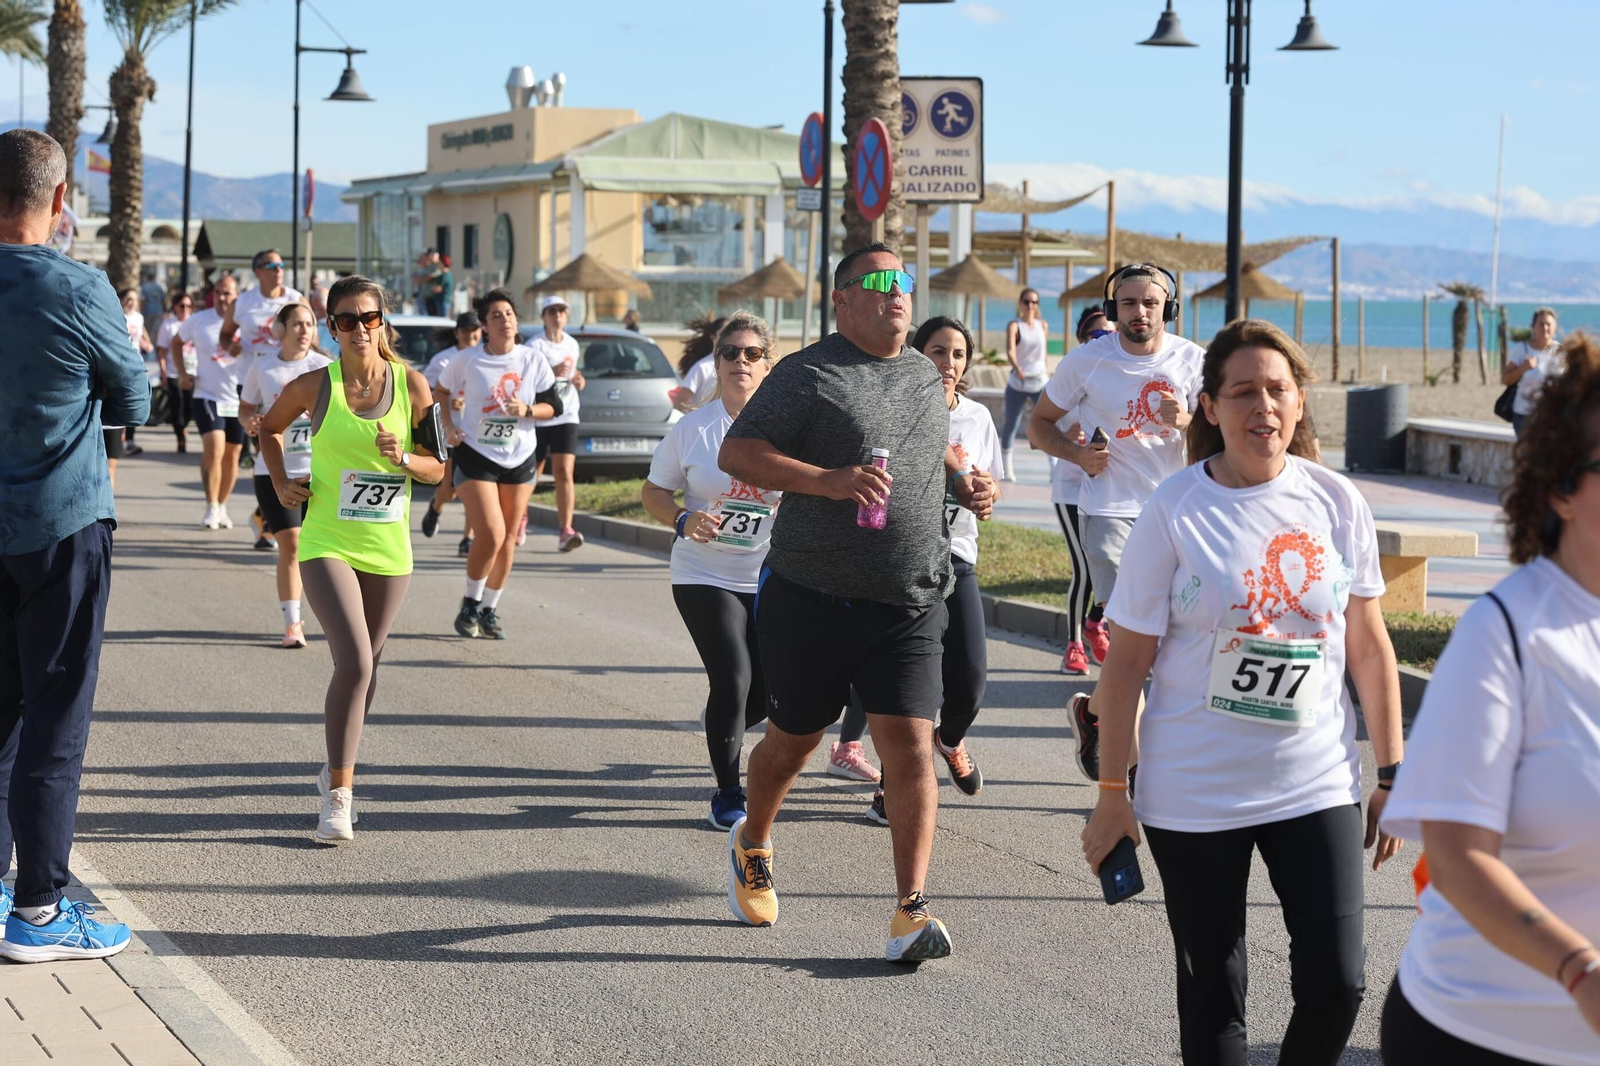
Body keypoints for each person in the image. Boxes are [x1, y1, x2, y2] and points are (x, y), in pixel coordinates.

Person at [1080, 318, 1405, 1066]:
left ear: (1298, 402)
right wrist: (1111, 791)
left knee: (1339, 984)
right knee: (1213, 998)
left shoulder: (1336, 501)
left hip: (1315, 781)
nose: (1263, 406)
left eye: (1277, 390)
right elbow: (1126, 664)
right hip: (1193, 790)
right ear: (1211, 407)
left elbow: (1368, 642)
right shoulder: (1175, 508)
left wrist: (1391, 772)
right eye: (1244, 392)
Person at [717, 242, 994, 961]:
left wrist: (967, 487)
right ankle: (753, 840)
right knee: (794, 741)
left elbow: (928, 448)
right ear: (842, 300)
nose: (896, 290)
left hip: (909, 600)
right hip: (812, 598)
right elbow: (739, 454)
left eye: (903, 279)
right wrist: (826, 480)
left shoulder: (924, 377)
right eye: (877, 281)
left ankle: (910, 909)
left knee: (908, 748)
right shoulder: (807, 374)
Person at [1379, 334, 1600, 1066]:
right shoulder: (1504, 632)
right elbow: (1457, 857)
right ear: (1562, 488)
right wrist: (1580, 969)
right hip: (1480, 1034)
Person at [0, 128, 146, 961]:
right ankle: (41, 913)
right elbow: (134, 398)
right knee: (55, 716)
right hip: (61, 524)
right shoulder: (76, 287)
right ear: (60, 203)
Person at [258, 275, 446, 844]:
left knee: (367, 670)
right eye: (345, 320)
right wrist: (281, 483)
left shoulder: (412, 385)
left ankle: (333, 766)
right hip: (326, 542)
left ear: (383, 322)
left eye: (369, 318)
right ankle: (340, 797)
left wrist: (405, 460)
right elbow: (267, 430)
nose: (359, 329)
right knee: (357, 663)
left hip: (389, 548)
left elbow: (439, 468)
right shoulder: (314, 385)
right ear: (332, 327)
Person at [1027, 263, 1205, 781]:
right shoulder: (1086, 362)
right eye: (1129, 303)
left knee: (1159, 644)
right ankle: (1136, 774)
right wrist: (1077, 457)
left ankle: (1093, 715)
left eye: (1150, 303)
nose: (1140, 312)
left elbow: (1223, 436)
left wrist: (1189, 421)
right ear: (1113, 310)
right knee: (1132, 642)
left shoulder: (1194, 362)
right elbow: (1039, 426)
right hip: (1108, 515)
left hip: (1177, 516)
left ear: (1167, 309)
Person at [857, 315, 1004, 825]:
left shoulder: (978, 417)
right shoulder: (896, 411)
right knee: (907, 689)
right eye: (938, 351)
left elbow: (993, 486)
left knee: (971, 680)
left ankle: (951, 739)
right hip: (901, 563)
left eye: (958, 354)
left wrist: (985, 494)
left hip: (957, 557)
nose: (949, 363)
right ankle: (890, 786)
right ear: (917, 355)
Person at [641, 310, 780, 829]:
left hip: (769, 573)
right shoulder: (694, 429)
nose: (740, 361)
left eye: (752, 354)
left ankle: (722, 724)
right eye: (730, 353)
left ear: (768, 365)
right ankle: (727, 792)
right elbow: (653, 492)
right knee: (733, 676)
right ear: (717, 364)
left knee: (771, 690)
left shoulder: (789, 429)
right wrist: (681, 518)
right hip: (704, 572)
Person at [436, 288, 564, 640]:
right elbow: (441, 391)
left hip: (520, 455)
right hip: (476, 453)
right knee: (490, 533)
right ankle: (469, 602)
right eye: (496, 315)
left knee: (508, 538)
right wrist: (448, 426)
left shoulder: (532, 359)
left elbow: (554, 405)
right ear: (485, 325)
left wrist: (527, 411)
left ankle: (489, 608)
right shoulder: (468, 360)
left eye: (509, 314)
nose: (505, 320)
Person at [240, 303, 332, 649]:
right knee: (292, 544)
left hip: (319, 471)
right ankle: (293, 622)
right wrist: (248, 421)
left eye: (310, 324)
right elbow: (247, 406)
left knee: (321, 550)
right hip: (274, 469)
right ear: (281, 329)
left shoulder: (325, 368)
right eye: (296, 324)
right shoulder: (262, 366)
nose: (304, 330)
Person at [1052, 306, 1112, 676]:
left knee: (1113, 567)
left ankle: (1095, 622)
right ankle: (1074, 643)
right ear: (1082, 340)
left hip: (1107, 491)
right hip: (1072, 491)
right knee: (1085, 569)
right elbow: (1041, 427)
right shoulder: (1070, 374)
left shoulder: (1120, 377)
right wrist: (1067, 438)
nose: (1102, 339)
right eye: (1095, 335)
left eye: (1108, 333)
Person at [177, 273, 244, 530]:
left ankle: (223, 505)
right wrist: (183, 373)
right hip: (207, 394)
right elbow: (176, 342)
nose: (222, 297)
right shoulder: (199, 320)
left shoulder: (244, 323)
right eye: (218, 292)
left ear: (236, 295)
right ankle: (211, 505)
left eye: (227, 293)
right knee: (214, 449)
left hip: (238, 398)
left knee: (232, 455)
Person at [420, 310, 483, 556]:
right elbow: (425, 389)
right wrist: (447, 399)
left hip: (476, 435)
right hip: (449, 432)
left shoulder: (485, 357)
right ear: (457, 333)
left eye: (475, 330)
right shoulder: (443, 360)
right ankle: (436, 505)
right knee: (450, 491)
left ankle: (467, 539)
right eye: (466, 331)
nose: (471, 335)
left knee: (475, 490)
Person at [529, 294, 586, 552]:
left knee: (564, 472)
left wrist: (578, 379)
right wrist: (551, 373)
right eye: (552, 311)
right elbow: (527, 380)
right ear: (543, 316)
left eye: (562, 311)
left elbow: (572, 372)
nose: (557, 316)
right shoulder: (534, 346)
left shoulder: (572, 344)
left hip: (567, 414)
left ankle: (566, 530)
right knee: (534, 473)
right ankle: (520, 517)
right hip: (541, 416)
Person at [999, 287, 1049, 481]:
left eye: (1034, 302)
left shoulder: (1042, 325)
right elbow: (1010, 350)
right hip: (1018, 382)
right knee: (1011, 424)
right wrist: (1017, 368)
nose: (1030, 306)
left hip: (1039, 381)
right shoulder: (1014, 325)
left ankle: (1054, 467)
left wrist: (1045, 368)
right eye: (1027, 301)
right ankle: (1007, 467)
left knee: (1048, 422)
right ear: (1020, 304)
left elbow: (1043, 352)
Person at [1500, 307, 1563, 439]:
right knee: (1529, 457)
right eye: (1541, 324)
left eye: (1548, 324)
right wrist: (1523, 368)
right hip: (1525, 416)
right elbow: (1505, 379)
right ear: (1533, 327)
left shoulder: (1560, 351)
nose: (1545, 327)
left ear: (1555, 328)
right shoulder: (1522, 349)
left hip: (1552, 415)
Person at [156, 288, 196, 453]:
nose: (185, 309)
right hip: (174, 372)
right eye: (182, 305)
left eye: (188, 306)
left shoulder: (195, 323)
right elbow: (162, 352)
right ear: (175, 306)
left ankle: (184, 426)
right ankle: (180, 436)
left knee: (190, 406)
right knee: (177, 406)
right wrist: (163, 373)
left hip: (194, 372)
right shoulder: (169, 326)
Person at [116, 287, 153, 457]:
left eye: (134, 299)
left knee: (132, 402)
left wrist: (147, 342)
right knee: (120, 402)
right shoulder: (117, 316)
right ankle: (118, 440)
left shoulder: (139, 317)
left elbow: (142, 331)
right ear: (122, 300)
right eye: (128, 299)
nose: (131, 303)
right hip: (120, 364)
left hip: (136, 365)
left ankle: (130, 440)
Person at [671, 313, 728, 413]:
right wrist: (702, 416)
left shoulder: (738, 365)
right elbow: (679, 402)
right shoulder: (702, 367)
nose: (729, 336)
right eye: (725, 332)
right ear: (713, 336)